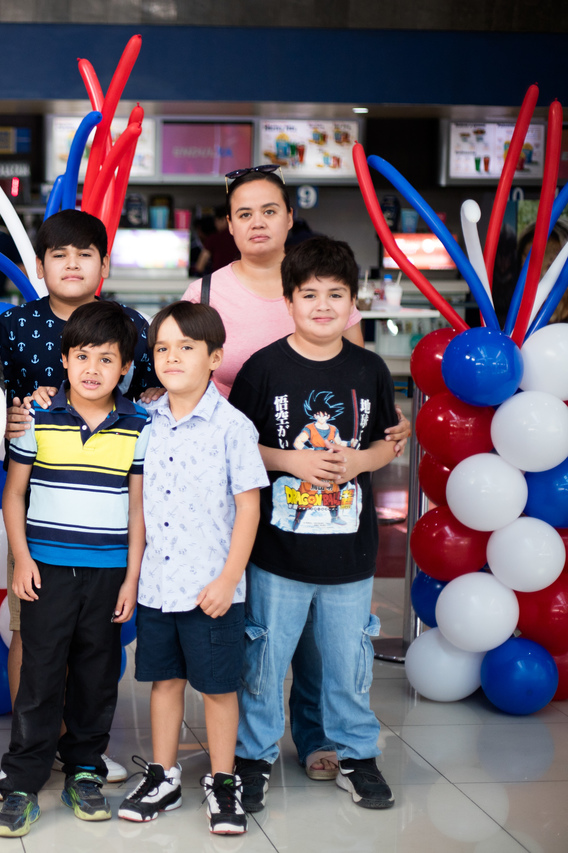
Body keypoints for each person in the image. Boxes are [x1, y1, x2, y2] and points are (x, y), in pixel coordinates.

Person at [180, 166, 410, 783]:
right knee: (266, 633)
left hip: (341, 524)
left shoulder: (358, 358)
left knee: (333, 643)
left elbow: (371, 419)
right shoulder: (211, 298)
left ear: (288, 216)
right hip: (246, 490)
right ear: (230, 224)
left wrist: (372, 450)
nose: (257, 222)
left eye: (269, 210)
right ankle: (251, 751)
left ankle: (322, 740)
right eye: (244, 213)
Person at [0, 209, 160, 794]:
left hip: (108, 504)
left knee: (93, 648)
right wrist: (5, 415)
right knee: (31, 636)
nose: (72, 264)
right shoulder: (13, 325)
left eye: (85, 254)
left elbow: (152, 400)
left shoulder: (130, 324)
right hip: (34, 507)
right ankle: (27, 750)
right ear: (41, 266)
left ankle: (81, 752)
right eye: (59, 255)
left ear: (103, 265)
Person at [229, 236, 399, 812]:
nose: (322, 305)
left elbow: (383, 446)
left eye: (335, 294)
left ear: (353, 303)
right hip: (277, 553)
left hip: (350, 554)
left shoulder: (370, 368)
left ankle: (357, 753)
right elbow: (239, 448)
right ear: (289, 300)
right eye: (309, 295)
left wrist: (359, 460)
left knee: (348, 661)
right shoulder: (264, 367)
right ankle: (253, 756)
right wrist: (291, 460)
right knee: (264, 659)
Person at [118, 301, 268, 835]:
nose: (172, 357)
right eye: (162, 348)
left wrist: (229, 579)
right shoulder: (145, 422)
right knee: (163, 682)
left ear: (215, 358)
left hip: (212, 587)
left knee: (219, 688)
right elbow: (138, 507)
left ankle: (223, 781)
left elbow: (249, 507)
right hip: (159, 585)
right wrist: (134, 579)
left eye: (187, 347)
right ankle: (163, 775)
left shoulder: (233, 427)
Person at [192, 204, 239, 276]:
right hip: (239, 280)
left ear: (224, 220)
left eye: (216, 221)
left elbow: (200, 266)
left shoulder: (214, 238)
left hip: (219, 280)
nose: (215, 224)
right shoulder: (240, 237)